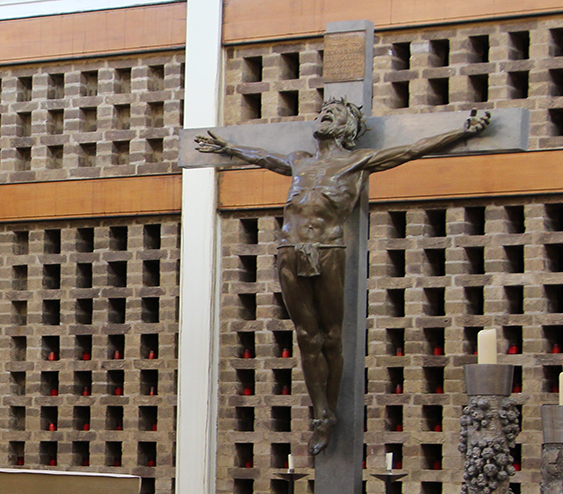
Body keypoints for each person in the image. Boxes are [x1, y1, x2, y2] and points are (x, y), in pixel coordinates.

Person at [196, 100, 491, 453]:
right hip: (289, 249)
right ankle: (321, 412)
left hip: (327, 249)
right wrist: (229, 148)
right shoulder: (298, 160)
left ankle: (331, 408)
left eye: (334, 114)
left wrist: (462, 131)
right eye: (322, 112)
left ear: (347, 128)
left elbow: (413, 149)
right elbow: (262, 157)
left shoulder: (357, 161)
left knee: (331, 335)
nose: (324, 116)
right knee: (306, 334)